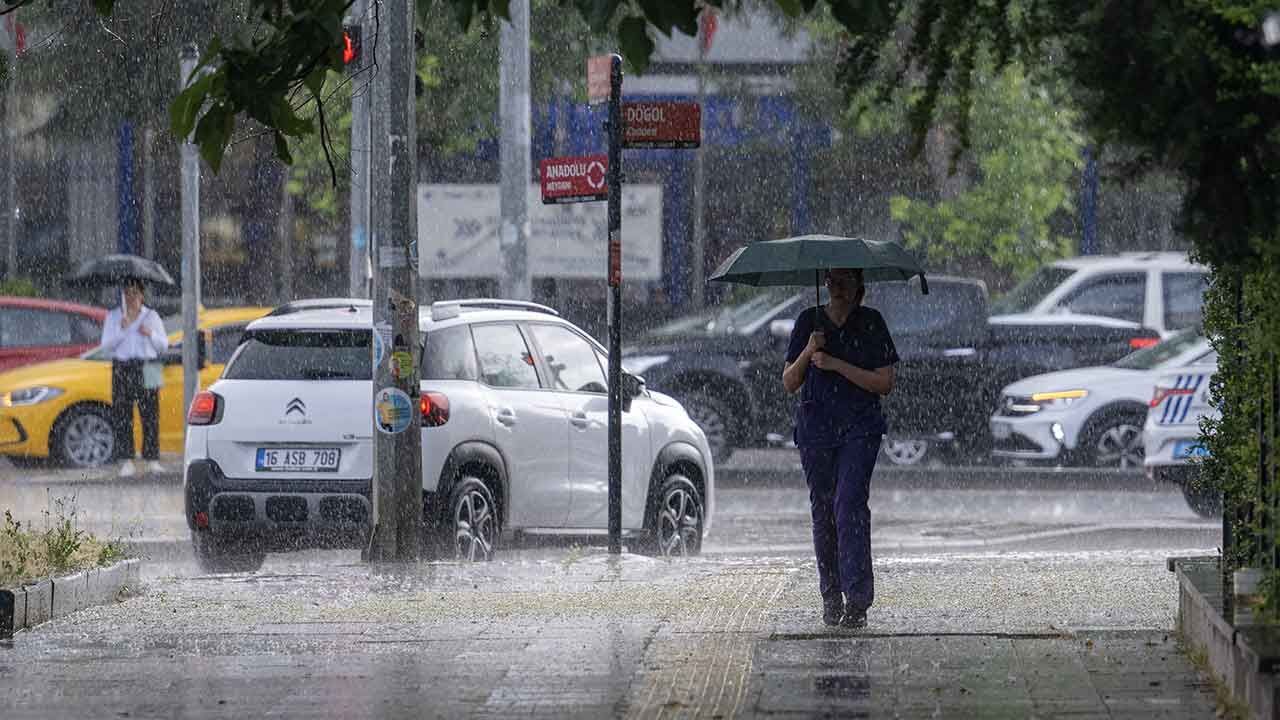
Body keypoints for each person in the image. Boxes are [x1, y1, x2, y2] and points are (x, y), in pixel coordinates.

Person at [782, 268, 898, 629]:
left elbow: (884, 382)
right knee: (824, 511)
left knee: (848, 504)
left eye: (844, 282)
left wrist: (836, 364)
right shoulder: (808, 322)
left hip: (859, 429)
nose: (836, 287)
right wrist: (810, 350)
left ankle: (858, 600)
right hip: (816, 429)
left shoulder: (871, 323)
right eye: (831, 281)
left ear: (859, 289)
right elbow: (789, 381)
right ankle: (830, 596)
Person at [100, 278, 168, 477]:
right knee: (122, 413)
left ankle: (152, 459)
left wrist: (150, 334)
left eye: (135, 293)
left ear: (142, 296)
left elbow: (163, 345)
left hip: (149, 365)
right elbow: (106, 347)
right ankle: (126, 459)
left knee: (151, 414)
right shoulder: (113, 317)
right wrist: (122, 329)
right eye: (127, 293)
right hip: (123, 366)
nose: (131, 298)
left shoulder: (152, 316)